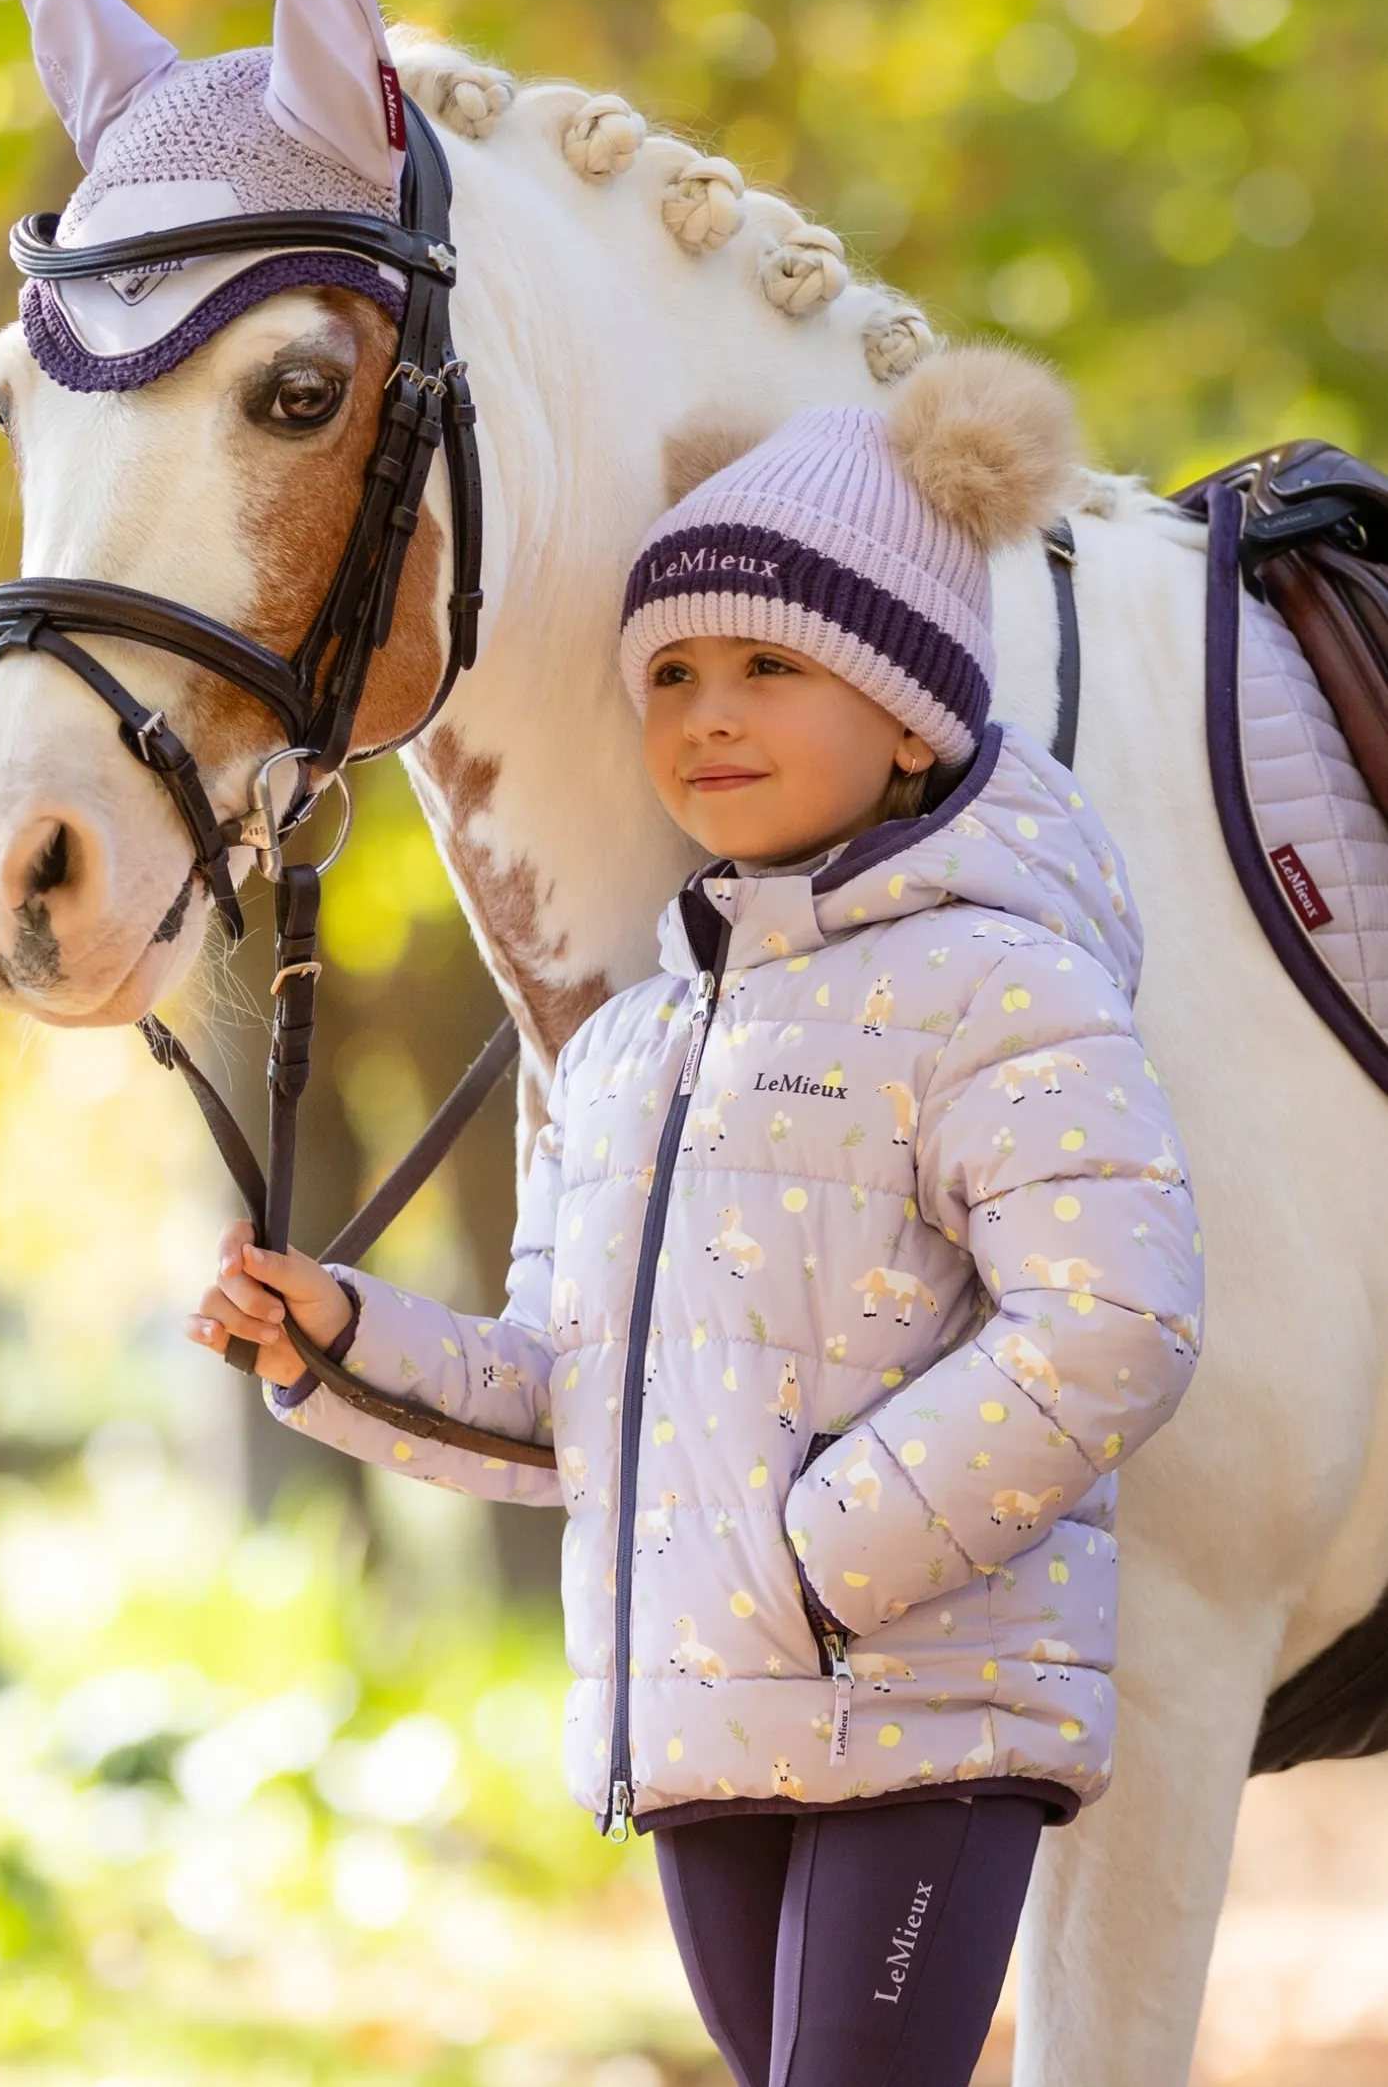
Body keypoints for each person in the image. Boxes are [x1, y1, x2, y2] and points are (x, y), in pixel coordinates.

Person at [186, 344, 1203, 2087]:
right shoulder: (625, 1041)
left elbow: (1116, 1320)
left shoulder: (1002, 984)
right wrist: (341, 1340)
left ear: (907, 710)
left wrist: (819, 1555)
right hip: (707, 1719)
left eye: (767, 666)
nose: (707, 712)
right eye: (670, 671)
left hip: (921, 1706)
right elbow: (571, 1398)